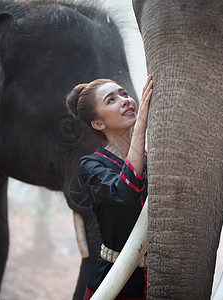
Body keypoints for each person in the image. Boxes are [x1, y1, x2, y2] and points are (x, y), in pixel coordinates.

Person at [66, 75, 153, 299]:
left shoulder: (152, 158)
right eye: (111, 100)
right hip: (115, 283)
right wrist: (141, 124)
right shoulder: (91, 165)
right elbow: (125, 194)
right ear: (98, 124)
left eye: (124, 94)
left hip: (161, 277)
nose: (124, 100)